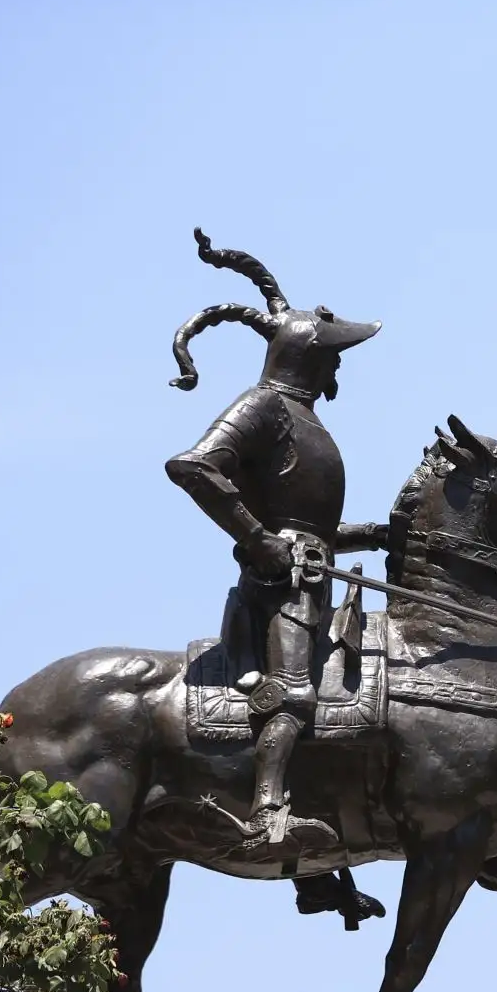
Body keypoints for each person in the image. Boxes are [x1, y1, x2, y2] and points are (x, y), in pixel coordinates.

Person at [163, 228, 383, 867]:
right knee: (293, 690)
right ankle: (265, 814)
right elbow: (194, 466)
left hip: (312, 574)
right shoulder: (264, 406)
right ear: (312, 358)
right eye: (334, 355)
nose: (340, 364)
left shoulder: (308, 419)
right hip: (279, 587)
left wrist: (379, 536)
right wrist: (259, 541)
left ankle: (322, 865)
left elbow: (313, 526)